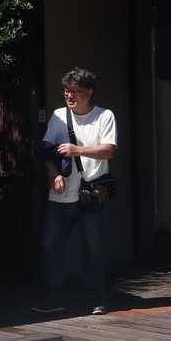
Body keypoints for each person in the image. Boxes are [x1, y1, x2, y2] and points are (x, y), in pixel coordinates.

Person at [34, 67, 117, 315]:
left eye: (75, 91)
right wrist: (54, 174)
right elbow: (46, 150)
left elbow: (109, 150)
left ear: (89, 93)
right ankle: (54, 298)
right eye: (66, 91)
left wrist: (77, 150)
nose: (69, 96)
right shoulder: (59, 116)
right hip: (61, 194)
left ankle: (99, 298)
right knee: (51, 245)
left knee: (95, 247)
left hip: (91, 192)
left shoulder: (104, 116)